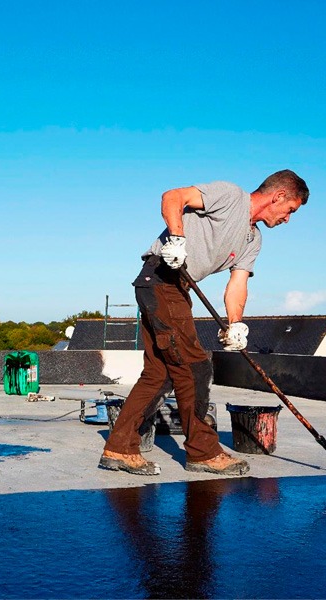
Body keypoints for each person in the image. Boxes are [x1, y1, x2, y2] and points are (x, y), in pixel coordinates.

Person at [99, 170, 309, 476]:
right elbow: (173, 196)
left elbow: (237, 284)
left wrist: (235, 324)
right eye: (290, 210)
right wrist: (176, 238)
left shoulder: (253, 239)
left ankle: (119, 448)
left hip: (176, 288)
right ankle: (203, 452)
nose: (288, 219)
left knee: (160, 374)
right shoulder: (230, 196)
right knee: (195, 366)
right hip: (160, 277)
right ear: (278, 196)